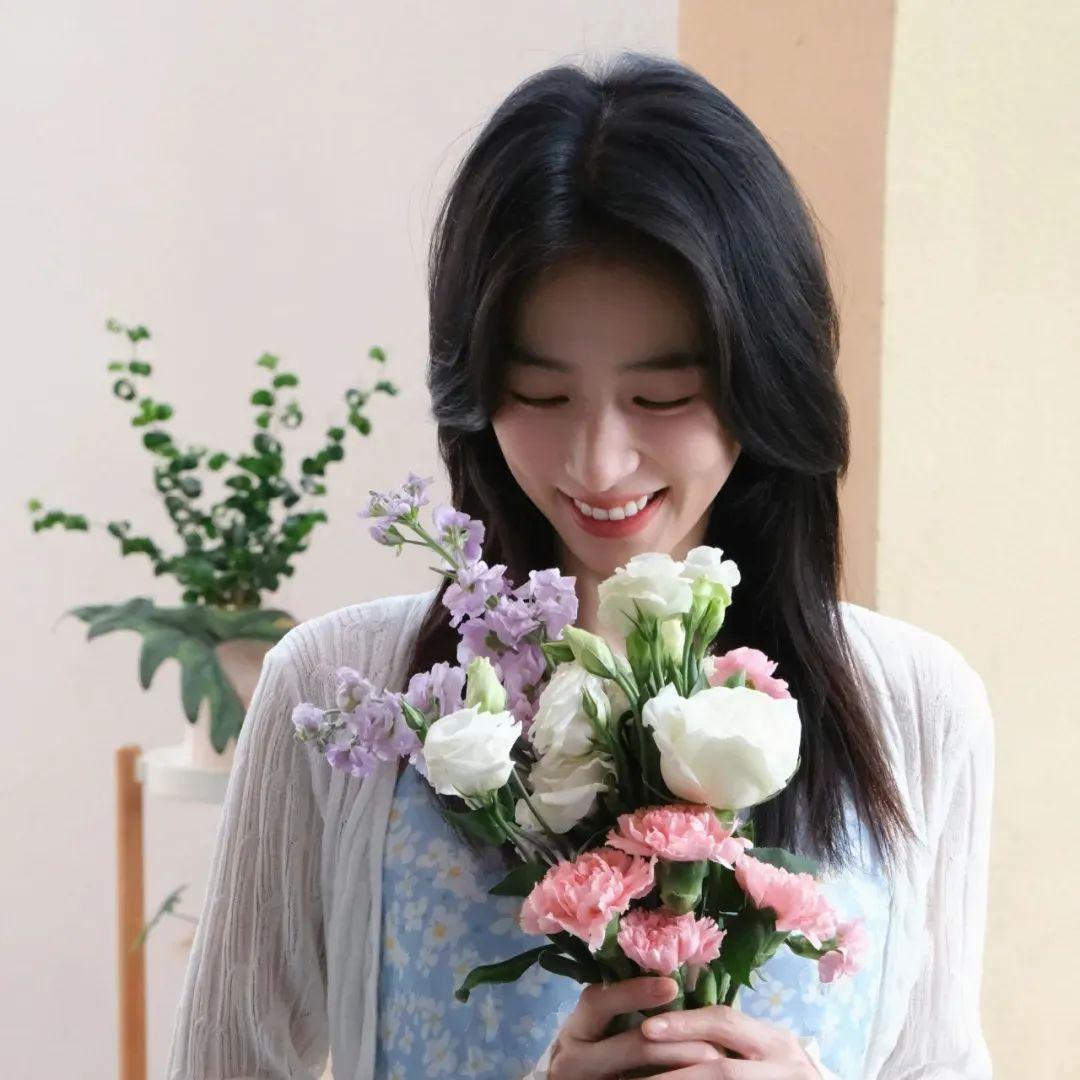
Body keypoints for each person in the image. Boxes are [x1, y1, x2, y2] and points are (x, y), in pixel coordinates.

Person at [166, 52, 995, 1079]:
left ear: (766, 386)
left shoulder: (916, 709)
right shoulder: (345, 695)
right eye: (542, 395)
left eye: (662, 397)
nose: (599, 464)